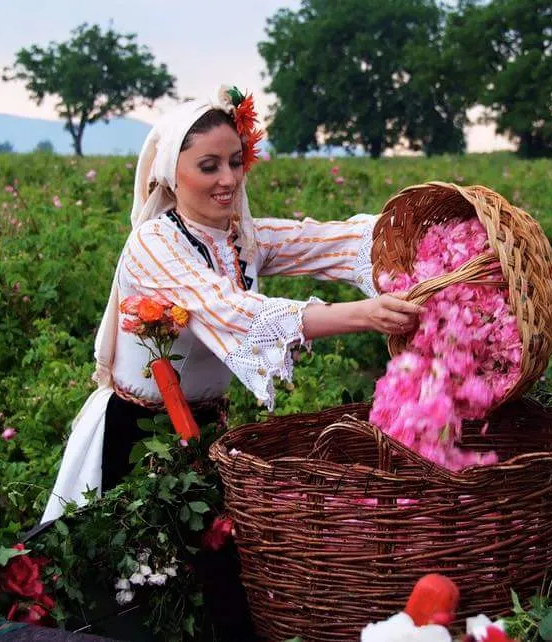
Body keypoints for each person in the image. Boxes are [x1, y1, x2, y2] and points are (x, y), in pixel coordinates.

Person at [41, 87, 422, 525]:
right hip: (138, 437)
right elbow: (234, 311)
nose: (229, 179)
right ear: (171, 175)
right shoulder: (154, 244)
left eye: (235, 162)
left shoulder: (241, 239)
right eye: (209, 166)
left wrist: (427, 238)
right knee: (134, 571)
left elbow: (323, 241)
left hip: (204, 432)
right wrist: (364, 315)